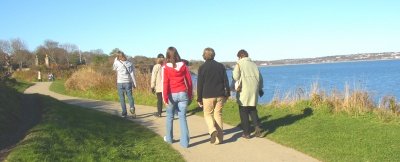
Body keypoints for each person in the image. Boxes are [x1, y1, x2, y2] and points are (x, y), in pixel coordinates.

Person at [197, 47, 230, 144]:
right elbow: (226, 81)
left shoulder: (202, 68)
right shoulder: (220, 66)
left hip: (207, 95)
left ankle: (212, 130)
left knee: (207, 114)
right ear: (213, 55)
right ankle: (219, 139)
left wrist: (199, 99)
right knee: (218, 115)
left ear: (204, 55)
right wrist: (227, 93)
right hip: (220, 95)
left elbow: (200, 84)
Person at [162, 46, 192, 148]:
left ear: (167, 55)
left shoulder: (165, 67)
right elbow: (189, 81)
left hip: (171, 94)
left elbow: (165, 83)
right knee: (182, 118)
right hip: (183, 93)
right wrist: (190, 94)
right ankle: (184, 143)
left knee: (169, 117)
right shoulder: (183, 65)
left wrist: (165, 97)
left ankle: (169, 139)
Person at [232, 49, 264, 139]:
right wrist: (260, 88)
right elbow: (260, 78)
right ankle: (258, 129)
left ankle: (247, 133)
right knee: (253, 110)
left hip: (244, 90)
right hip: (254, 89)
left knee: (244, 111)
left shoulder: (239, 64)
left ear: (240, 56)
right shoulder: (254, 64)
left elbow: (235, 77)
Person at [113, 50, 137, 118]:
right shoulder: (129, 63)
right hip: (128, 82)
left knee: (122, 98)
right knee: (130, 96)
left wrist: (115, 60)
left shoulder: (116, 63)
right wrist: (134, 83)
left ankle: (124, 113)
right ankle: (132, 109)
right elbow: (132, 74)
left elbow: (114, 68)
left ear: (117, 57)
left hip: (120, 82)